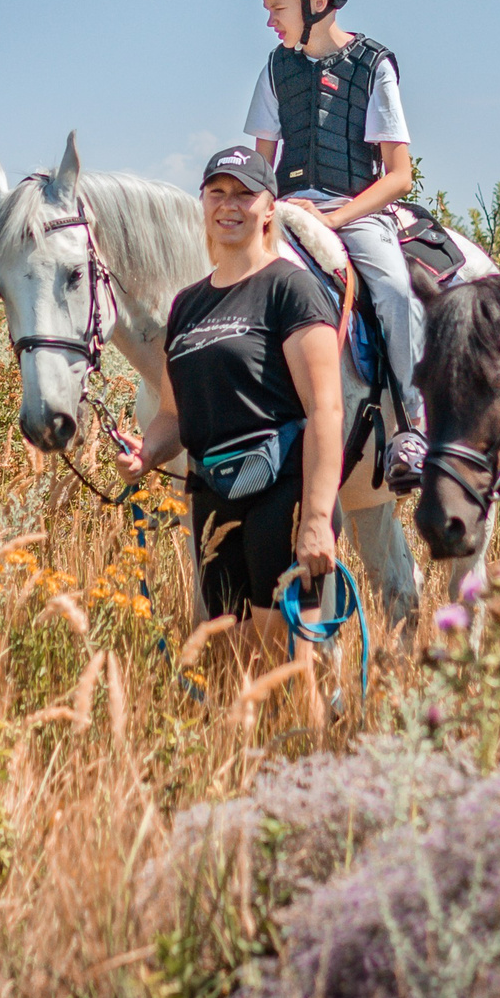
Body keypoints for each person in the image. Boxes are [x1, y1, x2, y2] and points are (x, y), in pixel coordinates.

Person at [118, 145, 345, 639]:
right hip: (213, 497)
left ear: (269, 209)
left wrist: (317, 518)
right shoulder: (188, 305)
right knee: (225, 656)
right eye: (217, 192)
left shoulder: (292, 288)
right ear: (202, 203)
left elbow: (325, 408)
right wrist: (147, 452)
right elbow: (174, 414)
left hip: (282, 492)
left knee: (285, 663)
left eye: (245, 194)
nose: (229, 205)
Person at [237, 0, 429, 494]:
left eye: (277, 7)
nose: (270, 21)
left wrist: (337, 220)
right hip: (287, 210)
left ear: (316, 1)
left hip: (357, 213)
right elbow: (259, 165)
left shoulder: (374, 67)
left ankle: (412, 427)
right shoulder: (275, 69)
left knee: (393, 288)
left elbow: (398, 176)